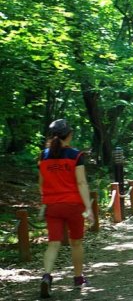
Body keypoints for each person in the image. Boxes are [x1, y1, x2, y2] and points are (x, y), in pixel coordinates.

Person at [37, 119, 95, 298]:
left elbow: (41, 183)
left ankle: (47, 276)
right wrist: (88, 208)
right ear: (68, 135)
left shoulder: (43, 156)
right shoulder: (76, 155)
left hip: (52, 206)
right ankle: (78, 278)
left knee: (53, 243)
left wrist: (45, 200)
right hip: (73, 205)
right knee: (76, 242)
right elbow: (81, 182)